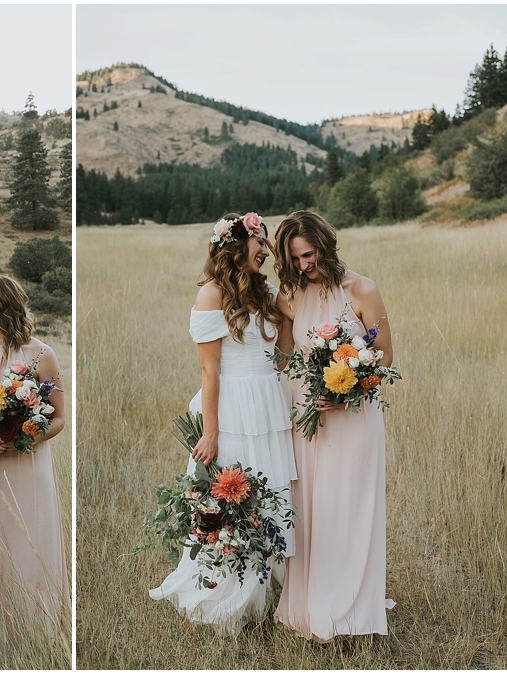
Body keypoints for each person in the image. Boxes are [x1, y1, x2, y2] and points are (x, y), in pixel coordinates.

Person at [149, 212, 297, 634]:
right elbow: (210, 373)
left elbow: (283, 357)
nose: (265, 250)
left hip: (270, 400)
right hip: (233, 406)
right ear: (234, 246)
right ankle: (231, 590)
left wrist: (285, 300)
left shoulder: (266, 290)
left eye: (267, 243)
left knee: (274, 492)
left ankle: (275, 591)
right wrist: (210, 432)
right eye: (258, 241)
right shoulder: (211, 296)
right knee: (237, 497)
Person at [271, 210, 395, 642]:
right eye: (296, 259)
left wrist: (344, 392)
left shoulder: (362, 289)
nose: (305, 265)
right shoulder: (291, 296)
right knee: (313, 512)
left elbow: (383, 357)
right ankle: (314, 601)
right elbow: (283, 358)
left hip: (355, 416)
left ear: (325, 244)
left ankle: (350, 609)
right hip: (309, 420)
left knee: (350, 508)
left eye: (309, 254)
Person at [0, 275, 70, 632]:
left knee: (28, 545)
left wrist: (23, 437)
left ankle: (35, 630)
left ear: (3, 304)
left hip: (27, 466)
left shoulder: (42, 355)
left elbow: (60, 417)